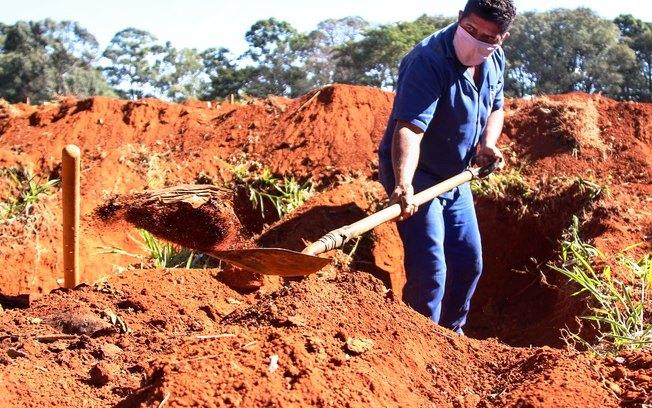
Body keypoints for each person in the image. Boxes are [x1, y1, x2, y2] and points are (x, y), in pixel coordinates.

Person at [378, 0, 516, 334]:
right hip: (417, 174)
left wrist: (487, 143)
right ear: (459, 19)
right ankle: (418, 343)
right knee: (430, 270)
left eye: (488, 38)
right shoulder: (428, 61)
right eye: (470, 30)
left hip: (456, 176)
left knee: (469, 263)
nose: (476, 41)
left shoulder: (494, 58)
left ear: (503, 38)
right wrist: (404, 183)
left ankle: (453, 339)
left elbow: (496, 106)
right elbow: (410, 128)